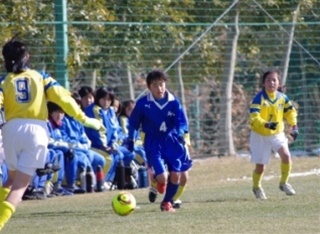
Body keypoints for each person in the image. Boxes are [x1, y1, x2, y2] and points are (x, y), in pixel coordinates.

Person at [0, 37, 101, 230]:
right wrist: (84, 119)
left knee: (10, 180)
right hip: (35, 130)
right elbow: (64, 98)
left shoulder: (4, 81)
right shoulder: (41, 77)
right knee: (19, 187)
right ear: (27, 57)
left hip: (10, 130)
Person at [127, 69, 192, 212]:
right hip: (153, 142)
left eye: (162, 84)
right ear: (149, 87)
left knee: (177, 175)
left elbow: (181, 122)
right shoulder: (143, 104)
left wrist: (181, 133)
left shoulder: (174, 102)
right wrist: (131, 139)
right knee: (163, 177)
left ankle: (166, 203)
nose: (159, 88)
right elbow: (133, 123)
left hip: (172, 141)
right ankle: (156, 180)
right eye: (155, 85)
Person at [249, 69, 299, 200]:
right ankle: (257, 187)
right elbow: (254, 117)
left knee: (286, 156)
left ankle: (284, 183)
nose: (271, 82)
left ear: (278, 83)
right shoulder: (258, 98)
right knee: (261, 167)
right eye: (268, 80)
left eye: (274, 80)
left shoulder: (282, 98)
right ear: (263, 83)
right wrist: (266, 124)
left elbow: (290, 112)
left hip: (277, 133)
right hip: (260, 135)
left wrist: (294, 126)